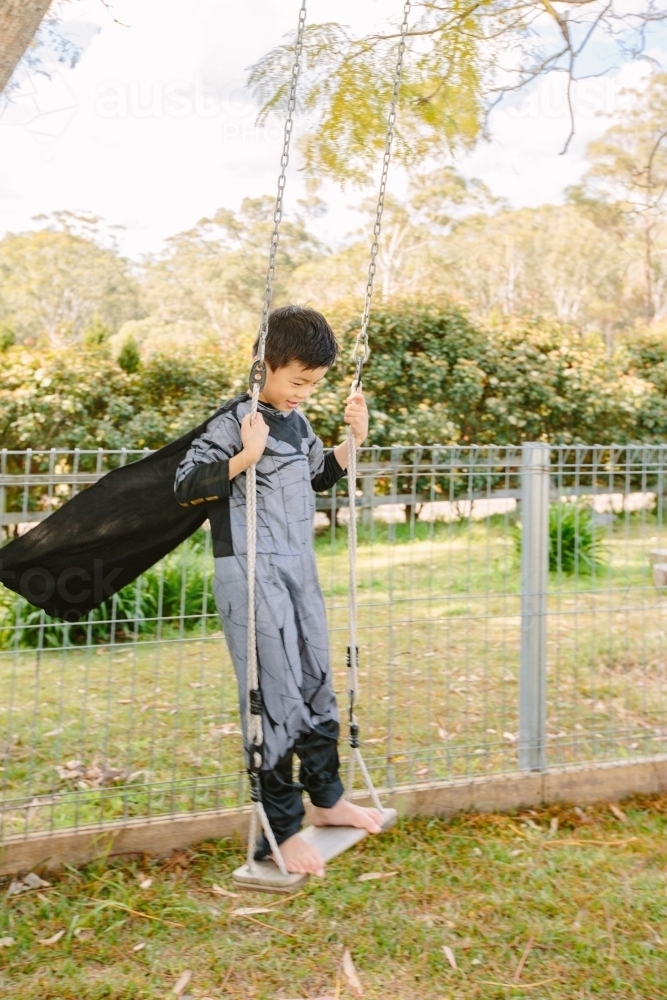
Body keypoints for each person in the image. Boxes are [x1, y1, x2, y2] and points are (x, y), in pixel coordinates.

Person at [174, 305, 382, 876]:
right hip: (249, 570)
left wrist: (353, 442)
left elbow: (317, 473)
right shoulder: (233, 421)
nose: (304, 393)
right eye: (297, 381)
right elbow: (186, 485)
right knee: (274, 691)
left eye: (314, 384)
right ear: (266, 365)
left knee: (315, 675)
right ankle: (279, 832)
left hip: (298, 567)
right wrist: (246, 454)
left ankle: (329, 797)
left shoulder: (298, 422)